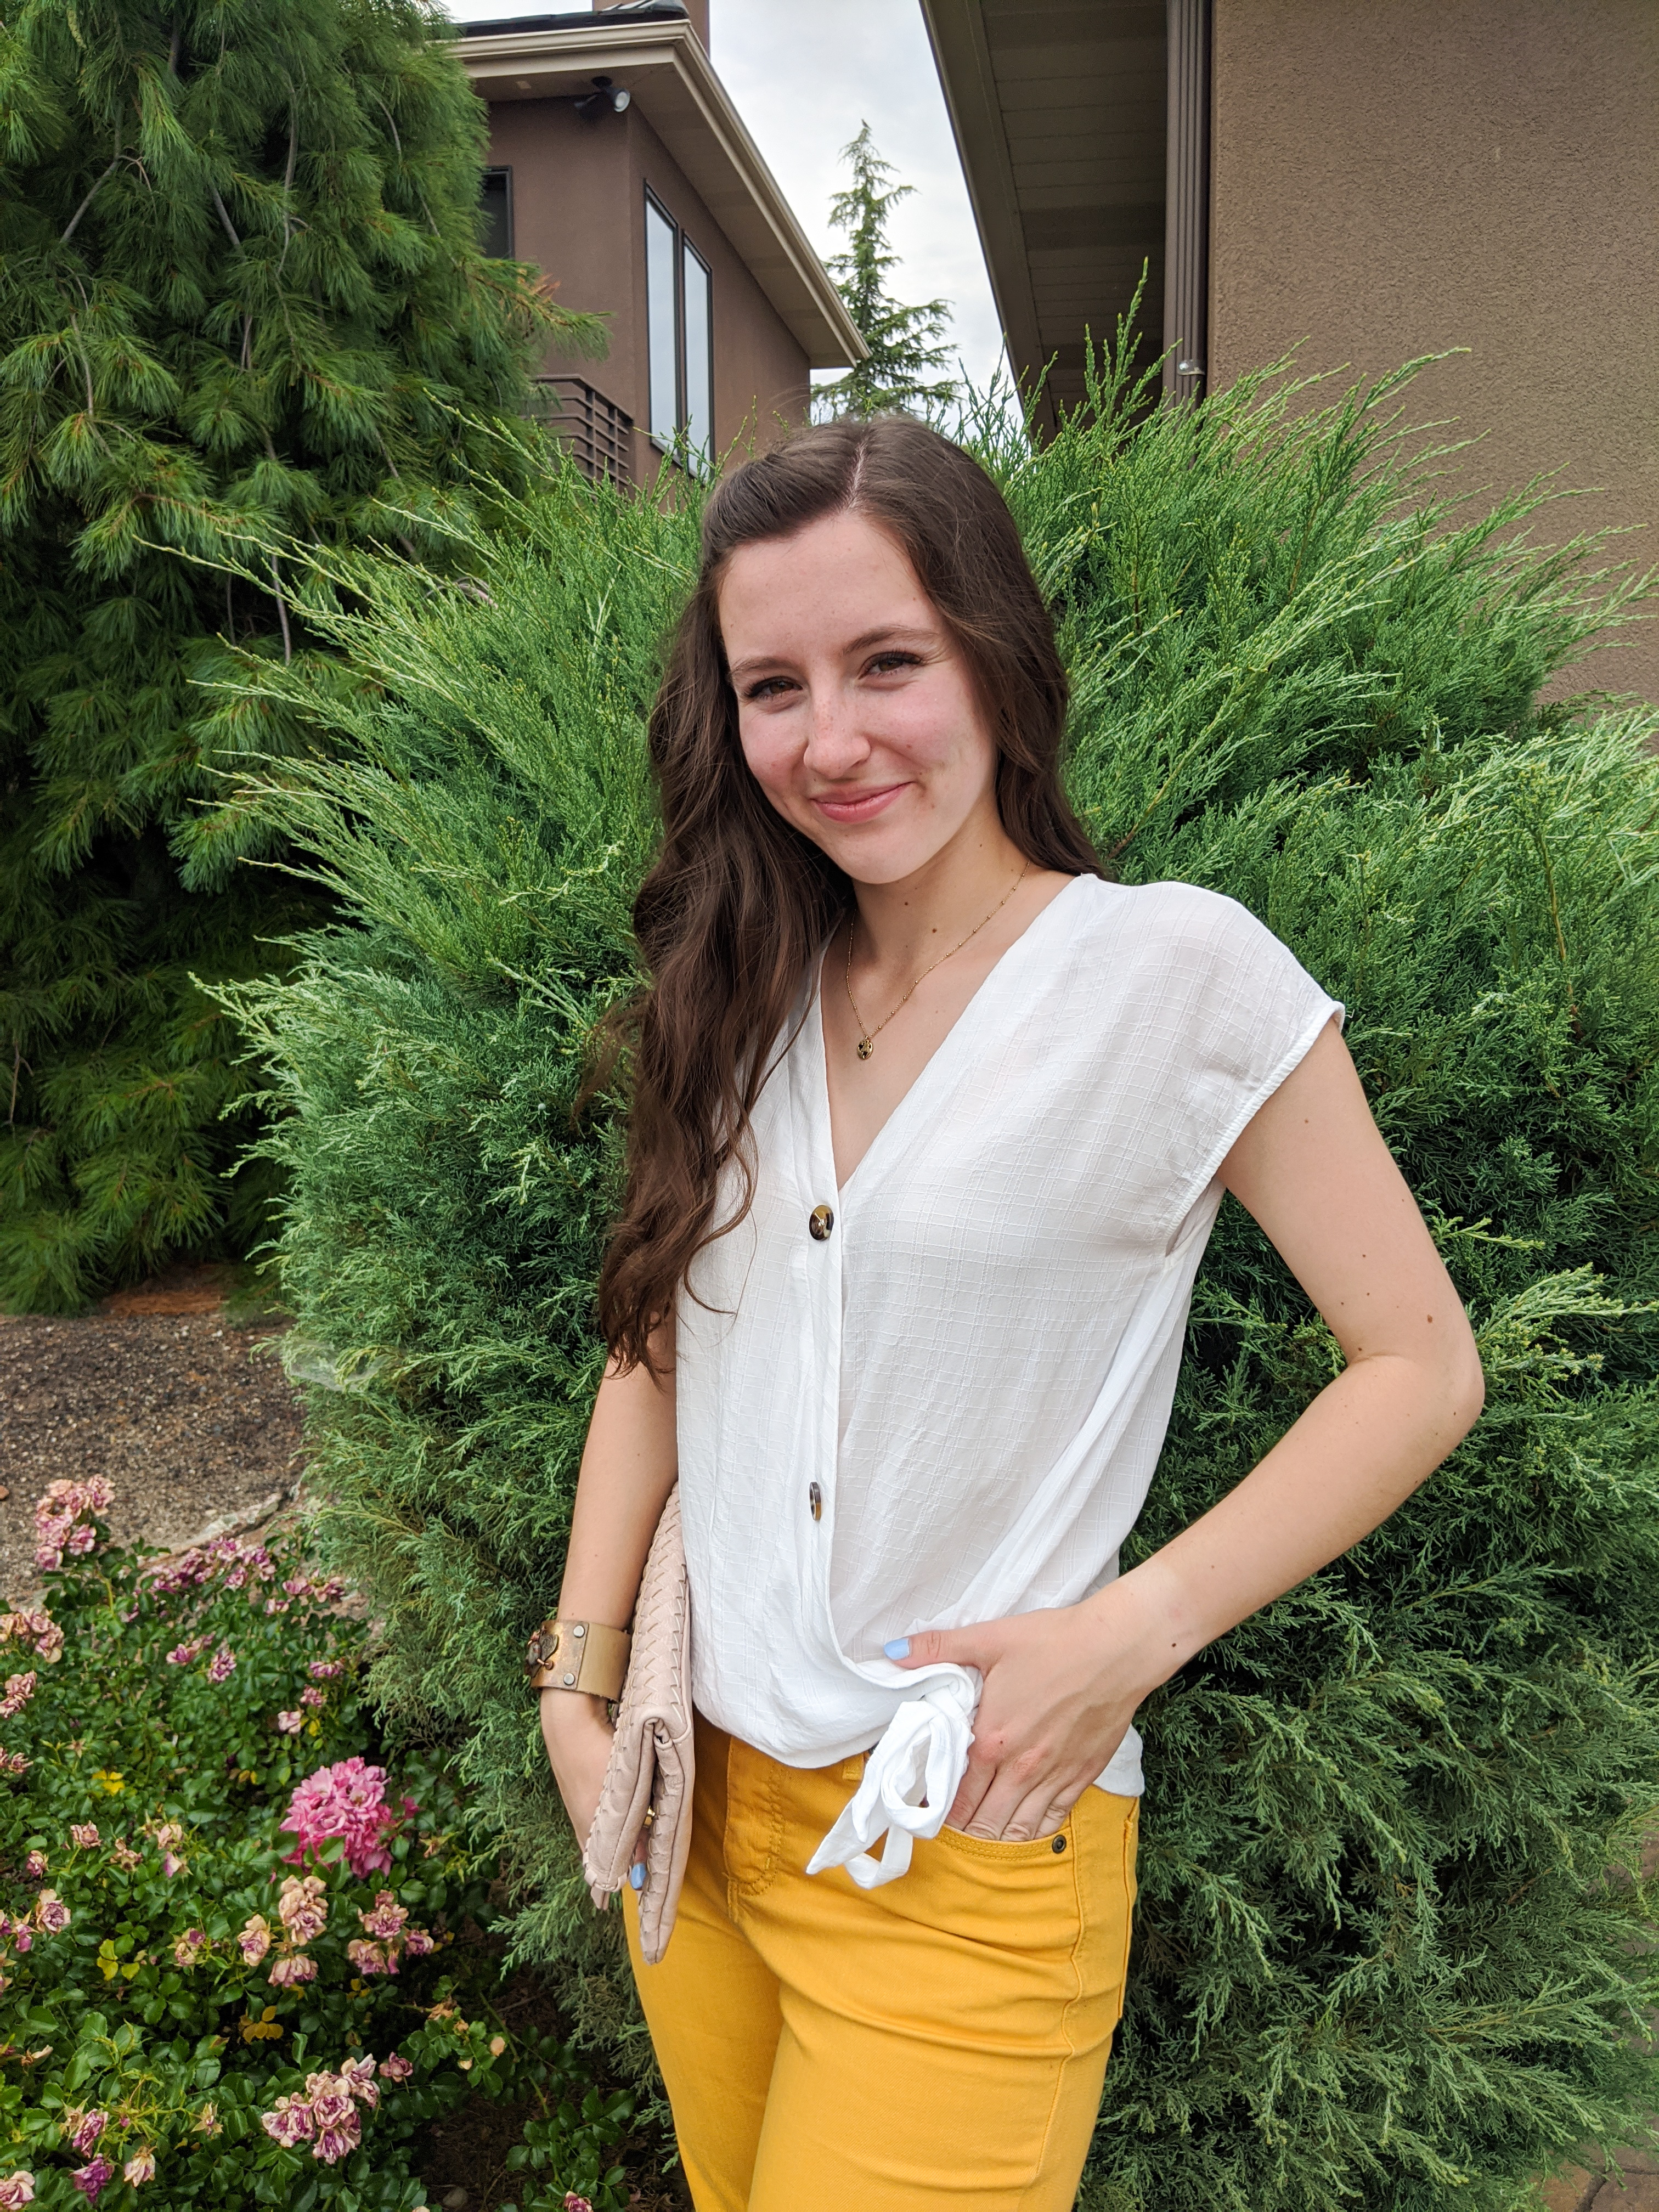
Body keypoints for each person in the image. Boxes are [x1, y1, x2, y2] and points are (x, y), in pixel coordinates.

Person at [538, 416, 1484, 2212]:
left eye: (887, 662)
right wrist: (578, 1681)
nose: (831, 739)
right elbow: (656, 1343)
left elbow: (1422, 1365)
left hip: (961, 1844)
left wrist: (1135, 1632)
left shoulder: (1175, 976)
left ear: (991, 649)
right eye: (773, 686)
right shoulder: (738, 984)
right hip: (704, 1823)